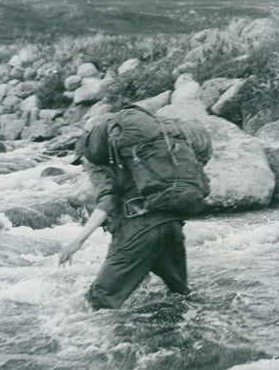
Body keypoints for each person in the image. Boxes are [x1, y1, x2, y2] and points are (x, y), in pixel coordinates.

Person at [58, 123, 190, 310]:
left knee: (97, 302)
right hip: (170, 225)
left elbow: (108, 201)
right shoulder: (137, 164)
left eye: (81, 161)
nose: (82, 168)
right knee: (180, 295)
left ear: (90, 154)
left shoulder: (99, 167)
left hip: (137, 233)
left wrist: (77, 242)